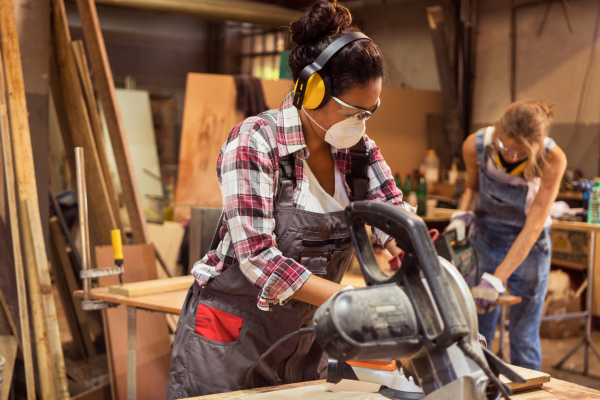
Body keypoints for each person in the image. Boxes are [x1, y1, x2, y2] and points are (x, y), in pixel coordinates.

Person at [166, 1, 412, 398]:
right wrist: (352, 299)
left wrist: (406, 247)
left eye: (370, 112)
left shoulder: (358, 151)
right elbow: (259, 258)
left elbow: (391, 212)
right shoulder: (255, 142)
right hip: (230, 339)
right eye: (353, 111)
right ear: (311, 90)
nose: (360, 124)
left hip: (304, 338)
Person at [452, 100, 566, 371]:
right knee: (478, 332)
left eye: (521, 153)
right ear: (498, 130)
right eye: (506, 149)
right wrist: (461, 216)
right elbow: (473, 190)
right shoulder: (475, 146)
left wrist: (497, 277)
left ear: (537, 144)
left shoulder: (553, 159)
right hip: (485, 239)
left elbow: (535, 224)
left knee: (524, 337)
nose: (512, 157)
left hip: (531, 246)